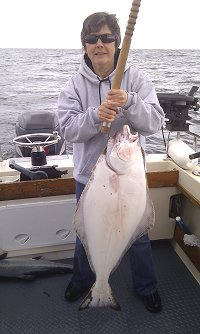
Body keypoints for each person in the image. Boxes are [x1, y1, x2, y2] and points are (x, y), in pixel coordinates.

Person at [58, 12, 165, 313]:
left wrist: (130, 101)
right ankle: (85, 280)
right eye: (92, 39)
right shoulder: (74, 85)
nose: (99, 44)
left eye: (106, 38)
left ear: (117, 43)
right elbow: (66, 129)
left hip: (128, 178)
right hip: (88, 177)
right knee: (86, 235)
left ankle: (146, 287)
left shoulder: (137, 78)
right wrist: (95, 117)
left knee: (139, 236)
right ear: (85, 45)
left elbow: (155, 121)